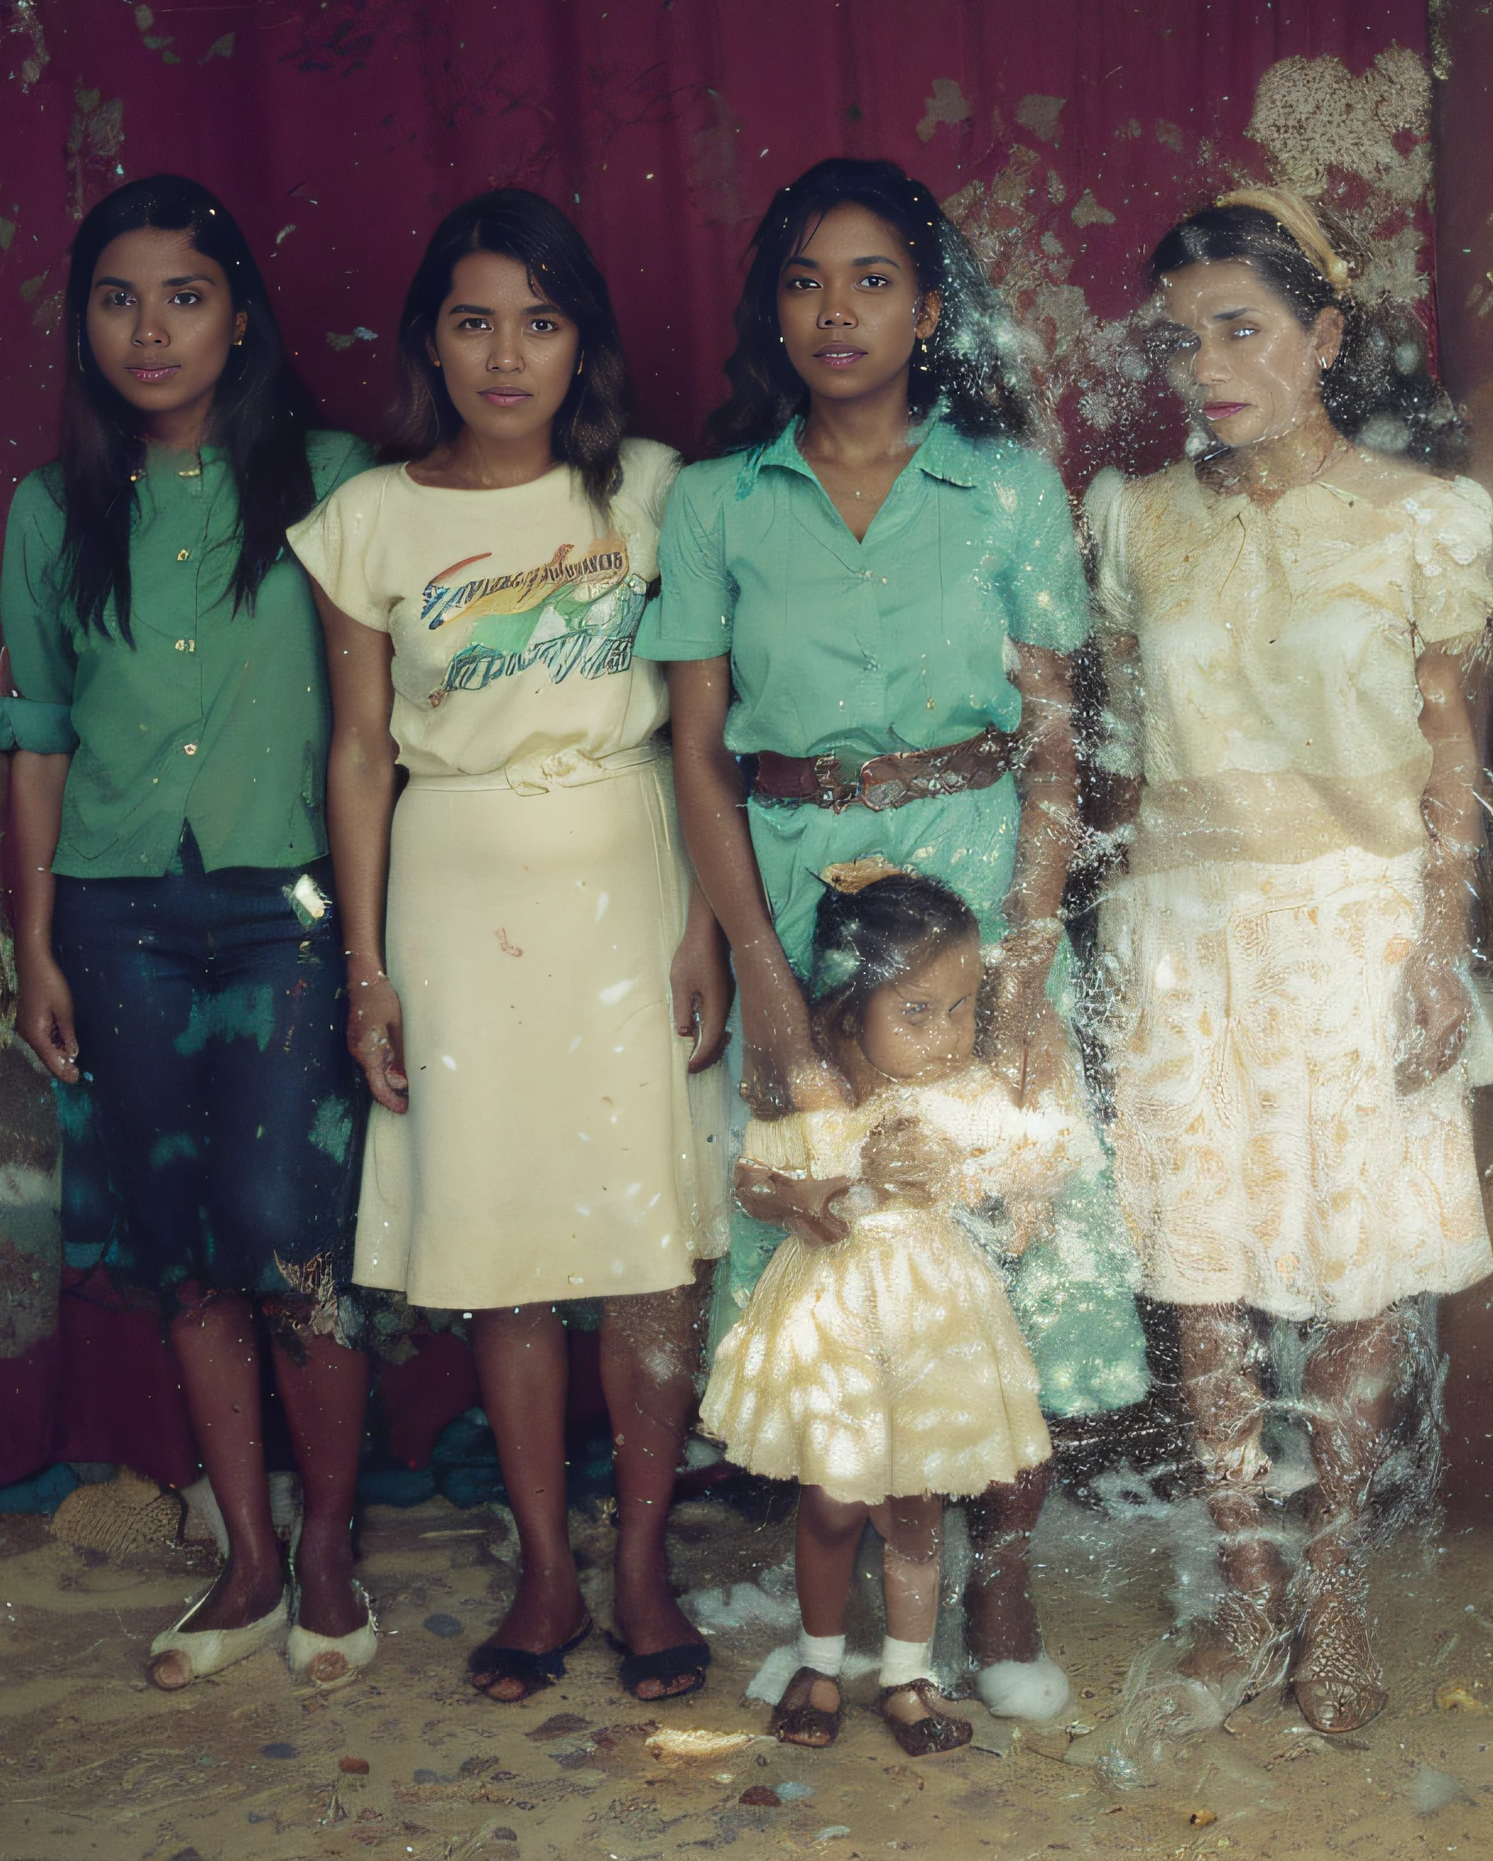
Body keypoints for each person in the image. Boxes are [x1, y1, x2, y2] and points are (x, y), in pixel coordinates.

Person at [637, 155, 1148, 1681]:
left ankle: (998, 1588)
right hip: (789, 879)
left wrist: (1021, 963)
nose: (834, 310)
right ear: (769, 309)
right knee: (834, 1222)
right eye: (802, 280)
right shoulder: (722, 497)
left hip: (978, 870)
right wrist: (764, 983)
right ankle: (845, 1611)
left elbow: (1056, 744)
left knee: (1003, 1217)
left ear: (928, 309)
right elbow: (695, 749)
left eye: (870, 280)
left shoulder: (999, 486)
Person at [288, 188, 730, 1705]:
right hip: (453, 881)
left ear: (579, 343)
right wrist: (367, 967)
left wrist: (703, 930)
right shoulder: (367, 518)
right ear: (431, 337)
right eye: (473, 319)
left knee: (648, 1245)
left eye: (539, 322)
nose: (504, 353)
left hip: (626, 863)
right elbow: (358, 754)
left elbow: (696, 731)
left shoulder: (657, 492)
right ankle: (545, 1568)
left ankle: (642, 1559)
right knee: (502, 1246)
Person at [1090, 187, 1493, 1735]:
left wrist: (1439, 952)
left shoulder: (1429, 517)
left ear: (1322, 336)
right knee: (1202, 1277)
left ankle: (1327, 1585)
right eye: (1181, 335)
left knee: (1352, 1284)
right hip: (1185, 938)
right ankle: (1241, 1587)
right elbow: (1119, 755)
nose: (1203, 364)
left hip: (1356, 925)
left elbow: (1449, 748)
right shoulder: (1130, 515)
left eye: (1239, 329)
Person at [0, 175, 377, 1690]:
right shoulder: (49, 507)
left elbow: (368, 722)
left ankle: (328, 1541)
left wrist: (366, 941)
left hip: (290, 907)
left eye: (184, 296)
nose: (150, 330)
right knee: (181, 1246)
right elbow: (38, 740)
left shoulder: (332, 477)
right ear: (83, 323)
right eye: (117, 299)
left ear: (240, 318)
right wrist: (35, 943)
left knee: (288, 1230)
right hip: (118, 912)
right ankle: (252, 1558)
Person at [703, 864, 1103, 1750]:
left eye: (962, 1007)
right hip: (836, 1323)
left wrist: (992, 1178)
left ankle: (908, 1676)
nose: (949, 1034)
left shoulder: (960, 1097)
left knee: (917, 1510)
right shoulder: (804, 1091)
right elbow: (755, 1183)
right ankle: (816, 1660)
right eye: (917, 1012)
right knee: (834, 1504)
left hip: (932, 1323)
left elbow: (1027, 1161)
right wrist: (820, 1189)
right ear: (848, 1007)